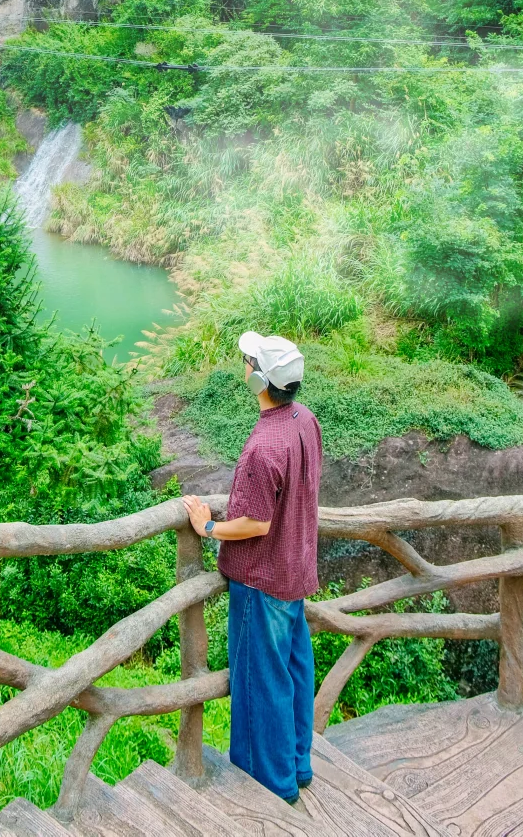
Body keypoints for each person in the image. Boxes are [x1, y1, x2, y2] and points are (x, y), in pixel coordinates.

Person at [182, 330, 322, 806]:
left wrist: (208, 527)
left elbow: (256, 523)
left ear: (260, 379)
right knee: (294, 670)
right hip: (295, 568)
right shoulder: (305, 421)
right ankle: (298, 766)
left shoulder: (264, 447)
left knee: (262, 683)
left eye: (248, 361)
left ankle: (272, 786)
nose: (244, 366)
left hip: (261, 580)